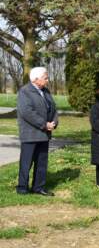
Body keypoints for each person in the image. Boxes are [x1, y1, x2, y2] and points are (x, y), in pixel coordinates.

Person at [16, 67, 58, 196]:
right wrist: (44, 124)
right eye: (45, 78)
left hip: (44, 134)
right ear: (35, 79)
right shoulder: (25, 91)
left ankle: (38, 187)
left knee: (41, 163)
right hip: (30, 134)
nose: (47, 80)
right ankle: (22, 188)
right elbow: (27, 112)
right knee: (26, 163)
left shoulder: (46, 91)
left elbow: (53, 108)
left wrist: (54, 122)